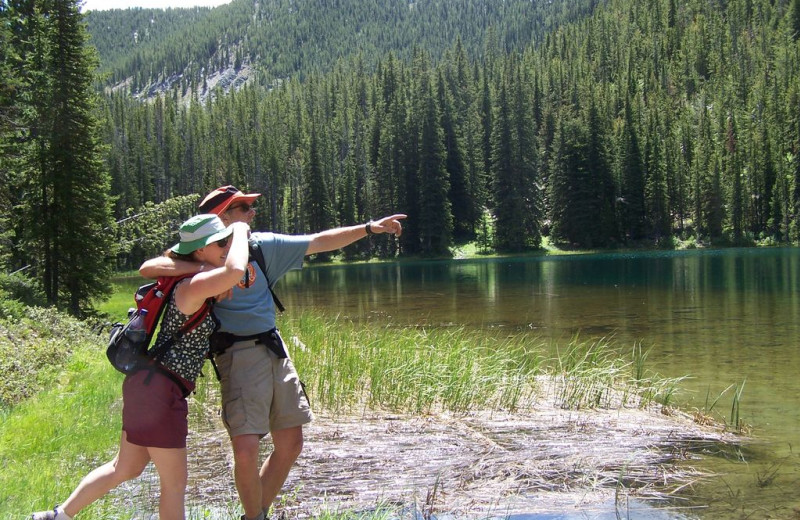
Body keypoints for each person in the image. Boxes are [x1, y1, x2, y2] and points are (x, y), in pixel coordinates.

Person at [139, 185, 406, 520]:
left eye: (251, 208)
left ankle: (255, 513)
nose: (252, 213)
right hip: (236, 357)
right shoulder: (202, 255)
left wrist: (369, 228)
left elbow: (320, 240)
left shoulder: (262, 247)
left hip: (274, 350)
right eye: (244, 208)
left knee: (291, 443)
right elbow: (151, 267)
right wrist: (202, 270)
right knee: (246, 449)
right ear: (222, 218)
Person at [32, 214, 250, 520]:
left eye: (228, 241)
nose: (227, 246)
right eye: (221, 242)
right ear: (200, 250)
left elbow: (224, 274)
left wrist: (216, 262)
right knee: (174, 485)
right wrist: (240, 230)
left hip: (145, 385)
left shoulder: (188, 278)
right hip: (161, 392)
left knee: (126, 467)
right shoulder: (192, 286)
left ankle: (56, 516)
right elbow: (235, 270)